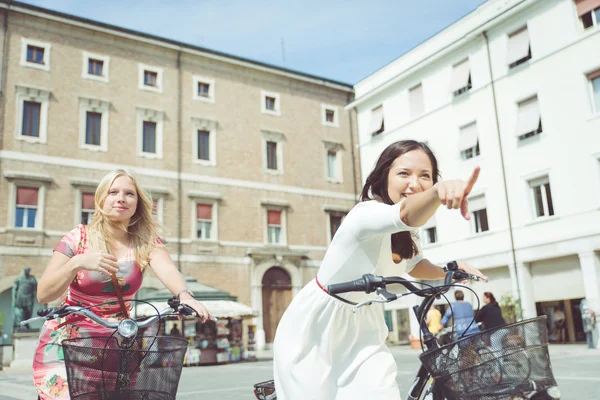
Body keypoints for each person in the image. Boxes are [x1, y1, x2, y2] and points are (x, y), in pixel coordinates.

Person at [273, 140, 486, 399]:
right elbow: (407, 213)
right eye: (404, 173)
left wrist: (450, 270)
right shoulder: (366, 214)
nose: (415, 183)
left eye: (425, 176)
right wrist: (439, 191)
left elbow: (414, 265)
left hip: (365, 320)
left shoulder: (407, 233)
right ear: (384, 177)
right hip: (318, 326)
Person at [32, 169, 212, 400]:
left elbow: (167, 268)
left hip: (116, 345)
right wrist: (76, 263)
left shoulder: (145, 241)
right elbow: (44, 293)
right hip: (68, 343)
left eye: (129, 194)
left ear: (137, 203)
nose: (121, 198)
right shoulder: (79, 237)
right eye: (113, 192)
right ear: (100, 199)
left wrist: (185, 296)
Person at [12, 266, 38, 331]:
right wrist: (14, 298)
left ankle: (27, 324)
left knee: (29, 311)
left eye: (28, 270)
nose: (27, 271)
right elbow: (15, 288)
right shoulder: (19, 278)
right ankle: (21, 325)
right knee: (21, 311)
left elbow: (36, 287)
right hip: (20, 297)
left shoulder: (32, 278)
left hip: (29, 297)